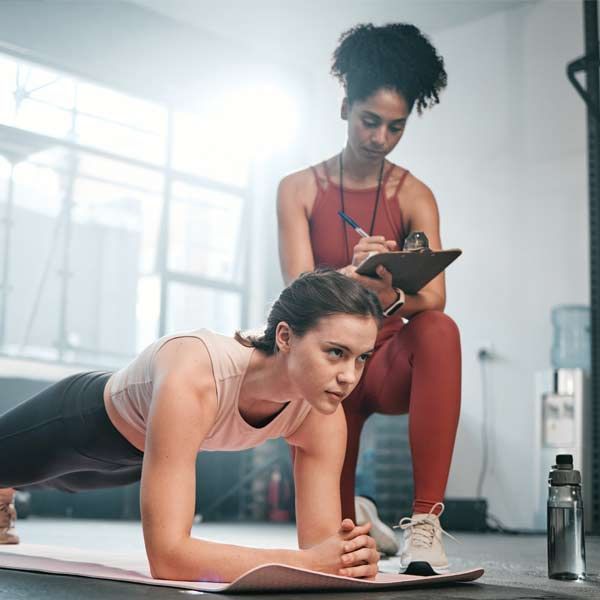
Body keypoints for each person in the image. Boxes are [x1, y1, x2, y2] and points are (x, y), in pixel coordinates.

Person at [0, 270, 383, 582]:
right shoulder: (198, 373)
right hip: (78, 425)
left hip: (136, 463)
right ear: (284, 337)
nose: (350, 376)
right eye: (336, 352)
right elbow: (169, 560)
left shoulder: (322, 413)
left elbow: (324, 555)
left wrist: (347, 559)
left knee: (59, 481)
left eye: (362, 357)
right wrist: (311, 563)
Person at [277, 23, 461, 575]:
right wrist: (351, 277)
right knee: (334, 546)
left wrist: (391, 294)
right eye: (369, 121)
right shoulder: (298, 189)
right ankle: (358, 517)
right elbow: (296, 293)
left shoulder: (414, 194)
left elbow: (436, 298)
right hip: (331, 365)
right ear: (344, 107)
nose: (380, 137)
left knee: (439, 332)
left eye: (395, 127)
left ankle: (425, 525)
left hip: (385, 361)